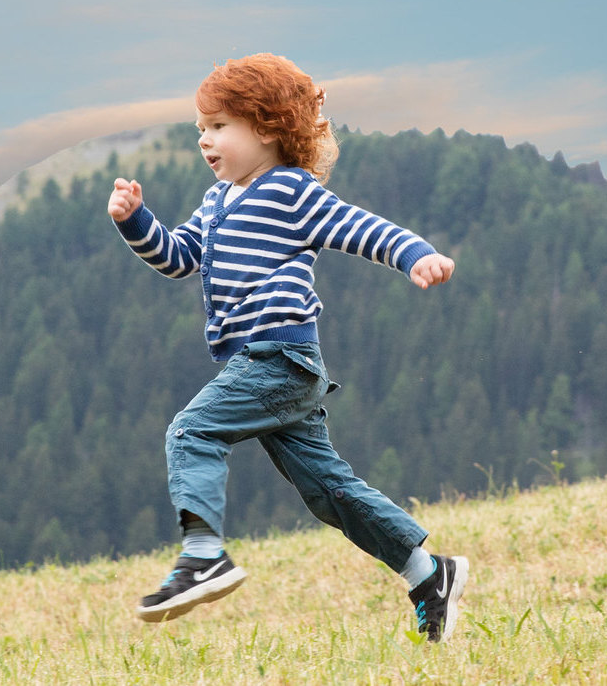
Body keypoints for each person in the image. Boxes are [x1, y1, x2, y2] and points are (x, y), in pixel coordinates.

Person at [107, 53, 468, 643]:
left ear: (269, 127)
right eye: (201, 128)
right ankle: (428, 573)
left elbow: (361, 227)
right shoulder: (216, 200)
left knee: (191, 432)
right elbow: (179, 259)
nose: (205, 139)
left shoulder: (291, 191)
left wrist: (416, 255)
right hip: (265, 367)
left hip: (279, 360)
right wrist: (136, 221)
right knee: (328, 491)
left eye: (219, 126)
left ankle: (203, 554)